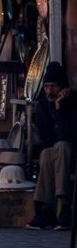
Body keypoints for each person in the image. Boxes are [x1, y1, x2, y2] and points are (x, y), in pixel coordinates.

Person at [26, 62, 77, 231]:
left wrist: (59, 108)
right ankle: (45, 209)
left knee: (61, 146)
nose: (49, 91)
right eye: (46, 86)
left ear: (62, 87)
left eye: (53, 86)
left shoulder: (73, 102)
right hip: (56, 151)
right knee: (47, 153)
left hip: (72, 150)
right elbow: (47, 138)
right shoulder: (42, 107)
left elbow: (68, 136)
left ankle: (65, 207)